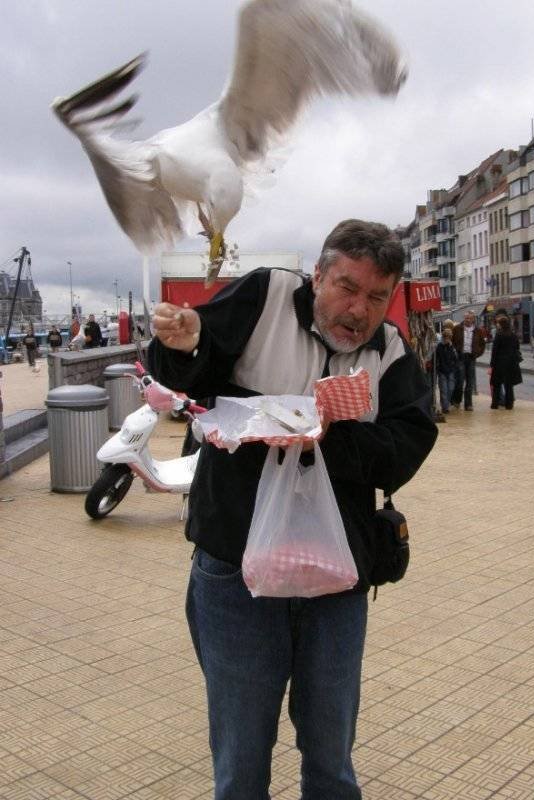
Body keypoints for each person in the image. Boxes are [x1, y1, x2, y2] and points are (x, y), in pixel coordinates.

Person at [149, 219, 438, 800]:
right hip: (236, 568)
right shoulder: (266, 295)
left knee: (331, 756)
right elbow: (192, 369)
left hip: (336, 576)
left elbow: (409, 444)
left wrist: (327, 433)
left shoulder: (391, 351)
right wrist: (182, 344)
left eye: (377, 296)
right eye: (346, 287)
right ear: (318, 274)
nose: (358, 308)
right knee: (241, 755)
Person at [451, 309, 486, 410]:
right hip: (460, 357)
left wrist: (477, 354)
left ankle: (468, 404)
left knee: (470, 381)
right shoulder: (457, 328)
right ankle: (457, 400)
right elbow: (452, 342)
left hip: (471, 358)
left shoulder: (478, 331)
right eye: (466, 318)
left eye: (470, 318)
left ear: (473, 319)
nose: (468, 320)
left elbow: (482, 345)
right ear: (464, 318)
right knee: (460, 381)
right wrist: (456, 352)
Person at [489, 315, 522, 409]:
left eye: (498, 323)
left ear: (501, 324)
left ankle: (495, 404)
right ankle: (509, 404)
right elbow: (517, 347)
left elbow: (495, 350)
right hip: (511, 363)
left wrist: (492, 363)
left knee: (496, 384)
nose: (497, 325)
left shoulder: (499, 335)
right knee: (509, 385)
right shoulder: (512, 334)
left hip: (499, 363)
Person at [435, 328, 459, 414]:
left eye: (449, 337)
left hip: (451, 371)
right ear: (443, 337)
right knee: (444, 390)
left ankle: (447, 403)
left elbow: (455, 358)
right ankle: (445, 407)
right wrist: (438, 368)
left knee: (451, 389)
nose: (447, 339)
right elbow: (437, 358)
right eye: (445, 337)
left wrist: (454, 368)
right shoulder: (439, 347)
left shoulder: (452, 347)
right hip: (442, 371)